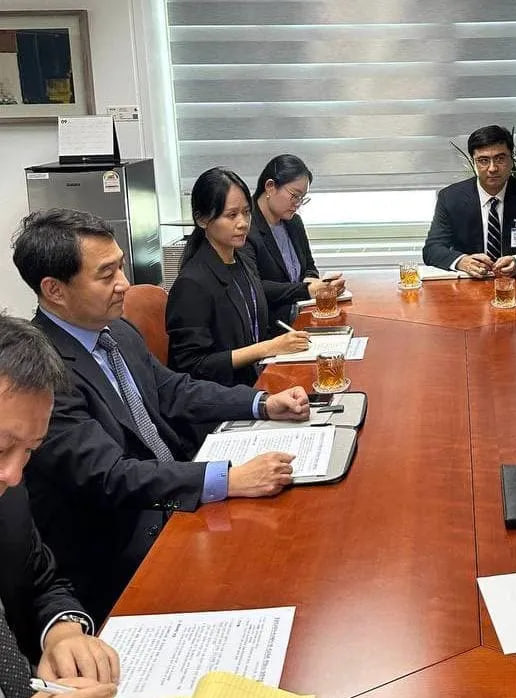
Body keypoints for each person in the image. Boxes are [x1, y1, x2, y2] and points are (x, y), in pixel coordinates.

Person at [12, 208, 311, 624]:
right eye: (107, 275)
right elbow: (111, 476)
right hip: (125, 542)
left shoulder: (116, 330)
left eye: (120, 267)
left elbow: (173, 390)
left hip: (174, 493)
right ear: (54, 290)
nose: (124, 283)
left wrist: (260, 403)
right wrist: (228, 479)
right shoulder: (41, 374)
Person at [0, 316, 119, 698]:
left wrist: (63, 632)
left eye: (29, 450)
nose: (14, 474)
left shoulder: (9, 493)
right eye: (1, 449)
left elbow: (41, 579)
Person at [166, 167, 311, 386]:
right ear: (202, 219)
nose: (243, 223)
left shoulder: (242, 262)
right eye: (231, 215)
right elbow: (193, 366)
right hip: (222, 394)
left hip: (257, 379)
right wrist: (267, 348)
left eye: (246, 212)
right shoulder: (191, 284)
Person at [422, 125, 516, 277]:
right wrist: (462, 261)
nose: (492, 168)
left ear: (512, 159)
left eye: (500, 158)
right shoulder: (450, 197)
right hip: (470, 282)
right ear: (473, 162)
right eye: (483, 160)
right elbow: (432, 250)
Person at [245, 154, 346, 332]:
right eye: (294, 196)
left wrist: (317, 283)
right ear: (270, 187)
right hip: (272, 327)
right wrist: (307, 290)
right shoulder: (245, 228)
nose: (298, 204)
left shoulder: (294, 222)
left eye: (302, 198)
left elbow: (309, 266)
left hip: (303, 315)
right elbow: (255, 287)